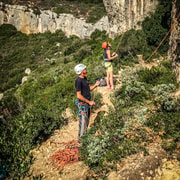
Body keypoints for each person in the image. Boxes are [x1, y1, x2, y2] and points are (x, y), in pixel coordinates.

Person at [74, 64, 100, 141]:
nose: (86, 69)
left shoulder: (84, 78)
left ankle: (84, 137)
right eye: (84, 69)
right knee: (83, 122)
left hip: (86, 104)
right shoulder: (78, 81)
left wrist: (95, 85)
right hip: (83, 104)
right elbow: (78, 95)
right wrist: (89, 102)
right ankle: (81, 140)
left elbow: (88, 89)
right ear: (81, 71)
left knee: (86, 120)